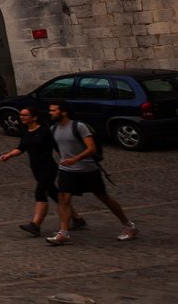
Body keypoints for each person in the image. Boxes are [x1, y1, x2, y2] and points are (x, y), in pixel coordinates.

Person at [47, 101, 135, 244]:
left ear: (64, 112)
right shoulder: (53, 129)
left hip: (87, 169)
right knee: (63, 198)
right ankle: (63, 232)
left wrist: (75, 159)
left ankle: (128, 225)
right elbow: (57, 147)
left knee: (103, 197)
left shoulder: (79, 126)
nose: (50, 113)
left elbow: (91, 148)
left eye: (53, 110)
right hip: (67, 170)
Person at [0, 105, 78, 236]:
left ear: (34, 117)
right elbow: (21, 148)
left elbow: (57, 147)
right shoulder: (25, 131)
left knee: (40, 192)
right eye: (21, 115)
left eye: (25, 115)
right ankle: (77, 218)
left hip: (48, 167)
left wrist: (67, 160)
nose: (21, 117)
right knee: (54, 193)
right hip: (36, 168)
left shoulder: (45, 131)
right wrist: (9, 155)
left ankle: (35, 225)